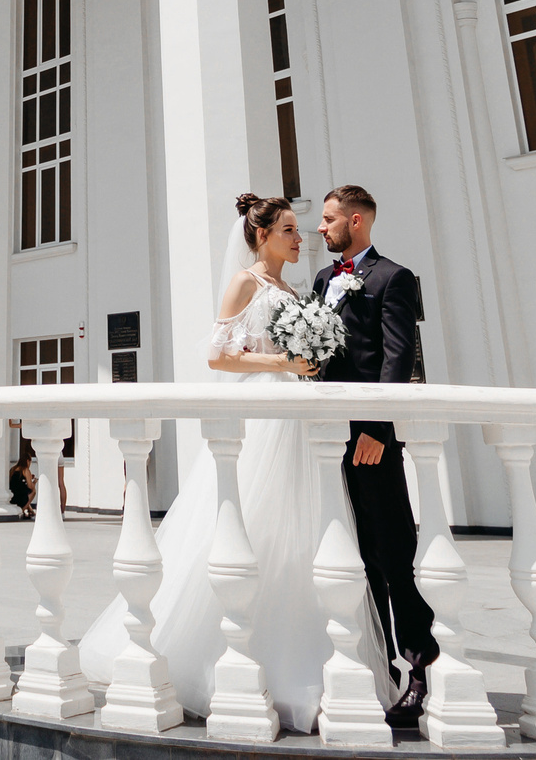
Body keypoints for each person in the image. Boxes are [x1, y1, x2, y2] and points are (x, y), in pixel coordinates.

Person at [75, 193, 392, 732]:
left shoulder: (294, 288)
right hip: (264, 419)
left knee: (301, 536)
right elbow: (218, 356)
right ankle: (224, 655)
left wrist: (309, 362)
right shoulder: (247, 283)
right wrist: (284, 361)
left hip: (296, 420)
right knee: (254, 530)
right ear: (263, 235)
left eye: (300, 229)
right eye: (290, 229)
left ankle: (300, 659)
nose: (300, 238)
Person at [313, 184, 439, 727]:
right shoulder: (322, 280)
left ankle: (418, 669)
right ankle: (372, 667)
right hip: (325, 439)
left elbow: (396, 356)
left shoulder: (394, 277)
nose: (322, 227)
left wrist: (377, 429)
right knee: (352, 558)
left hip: (369, 440)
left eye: (329, 219)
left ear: (357, 221)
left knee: (392, 554)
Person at [6, 446, 37, 519]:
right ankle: (22, 511)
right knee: (33, 492)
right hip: (21, 498)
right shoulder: (26, 470)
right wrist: (34, 482)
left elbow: (17, 482)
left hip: (12, 496)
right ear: (27, 461)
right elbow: (30, 486)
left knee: (25, 493)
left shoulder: (13, 469)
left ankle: (31, 511)